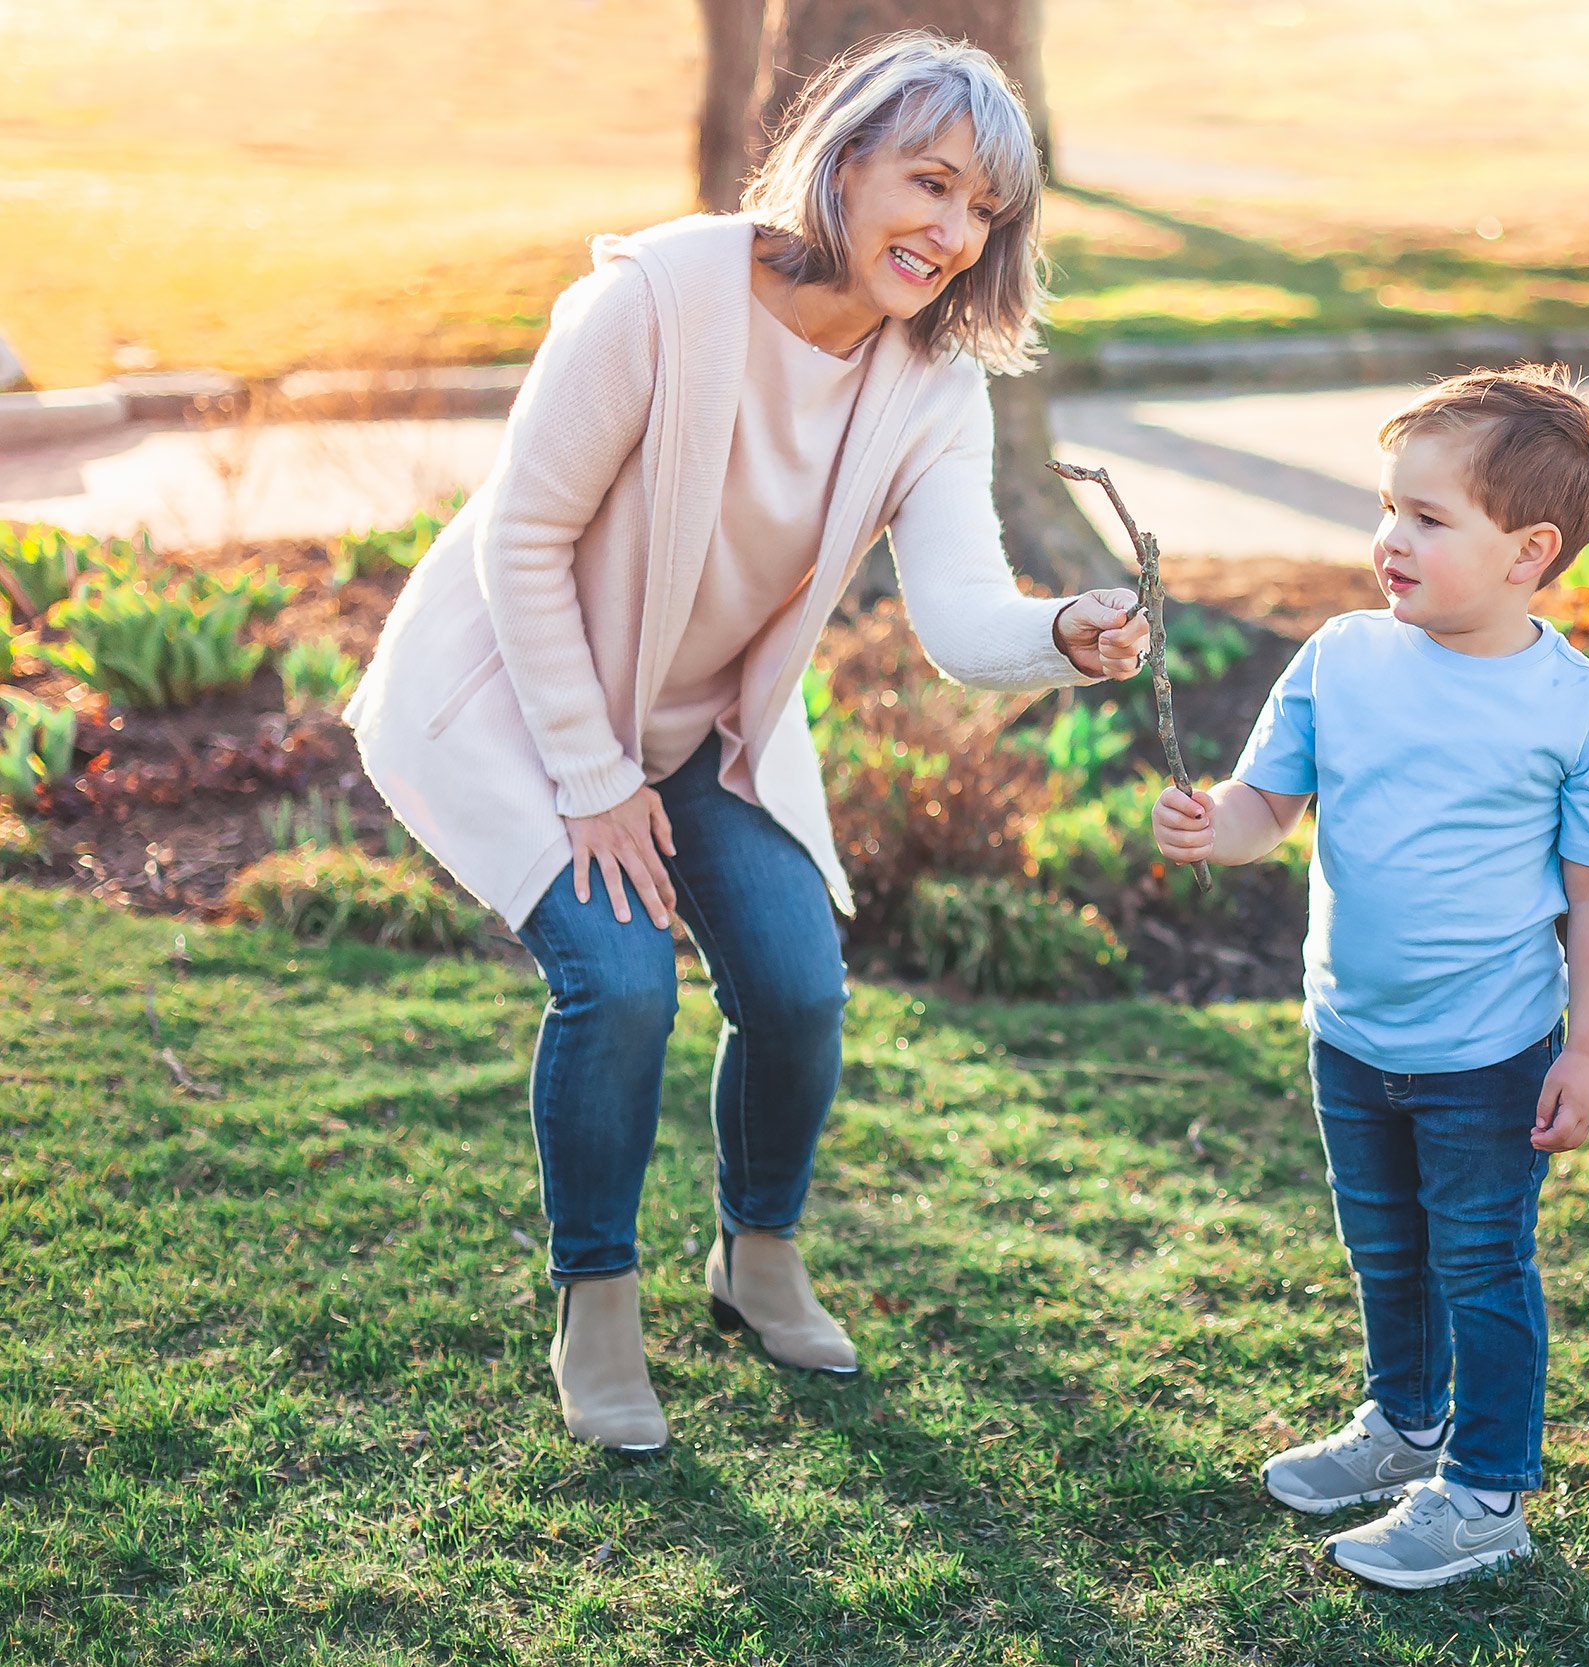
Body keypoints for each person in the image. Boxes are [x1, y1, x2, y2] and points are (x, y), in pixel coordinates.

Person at [346, 32, 1148, 1455]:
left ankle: (753, 1254)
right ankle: (596, 1304)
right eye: (931, 182)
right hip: (518, 704)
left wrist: (1062, 628)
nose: (954, 233)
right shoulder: (655, 299)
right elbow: (524, 539)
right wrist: (593, 782)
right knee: (621, 984)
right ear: (842, 161)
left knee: (795, 989)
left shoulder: (930, 386)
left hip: (693, 727)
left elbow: (962, 614)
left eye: (984, 211)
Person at [1151, 365, 1589, 1589]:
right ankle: (1403, 1423)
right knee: (1384, 1248)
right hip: (1350, 1034)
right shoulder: (1340, 658)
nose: (1390, 538)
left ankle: (1484, 1488)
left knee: (1480, 1262)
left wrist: (1584, 1050)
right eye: (1387, 507)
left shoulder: (1580, 714)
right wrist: (1221, 823)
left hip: (1489, 1054)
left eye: (1428, 519)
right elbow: (1273, 799)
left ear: (1529, 551)